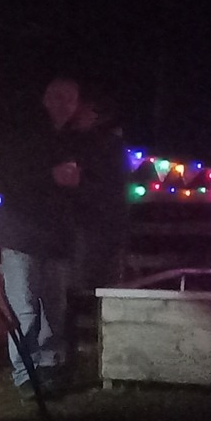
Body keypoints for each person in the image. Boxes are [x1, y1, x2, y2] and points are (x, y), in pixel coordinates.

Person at [0, 76, 83, 397]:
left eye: (70, 99)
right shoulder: (23, 133)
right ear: (45, 99)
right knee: (26, 308)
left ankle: (50, 366)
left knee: (53, 307)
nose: (64, 104)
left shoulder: (71, 139)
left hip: (55, 237)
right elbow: (7, 176)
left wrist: (76, 185)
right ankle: (25, 373)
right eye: (58, 97)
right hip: (22, 235)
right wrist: (50, 176)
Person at [66, 86, 130, 293]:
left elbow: (106, 181)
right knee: (91, 277)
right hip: (95, 218)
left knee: (93, 276)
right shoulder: (83, 141)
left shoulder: (100, 142)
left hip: (97, 218)